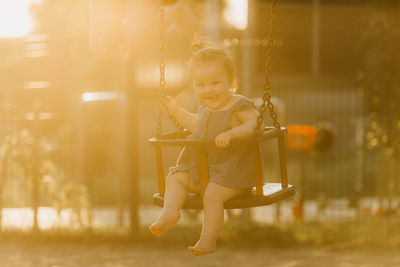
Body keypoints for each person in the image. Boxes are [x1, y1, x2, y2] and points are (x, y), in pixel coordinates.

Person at [148, 37, 265, 256]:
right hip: (205, 171)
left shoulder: (238, 105)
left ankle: (207, 239)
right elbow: (195, 124)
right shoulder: (205, 110)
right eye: (201, 85)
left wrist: (233, 133)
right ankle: (170, 212)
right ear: (193, 86)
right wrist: (176, 111)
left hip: (232, 174)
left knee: (211, 196)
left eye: (215, 83)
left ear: (231, 81)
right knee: (175, 177)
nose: (208, 90)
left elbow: (257, 123)